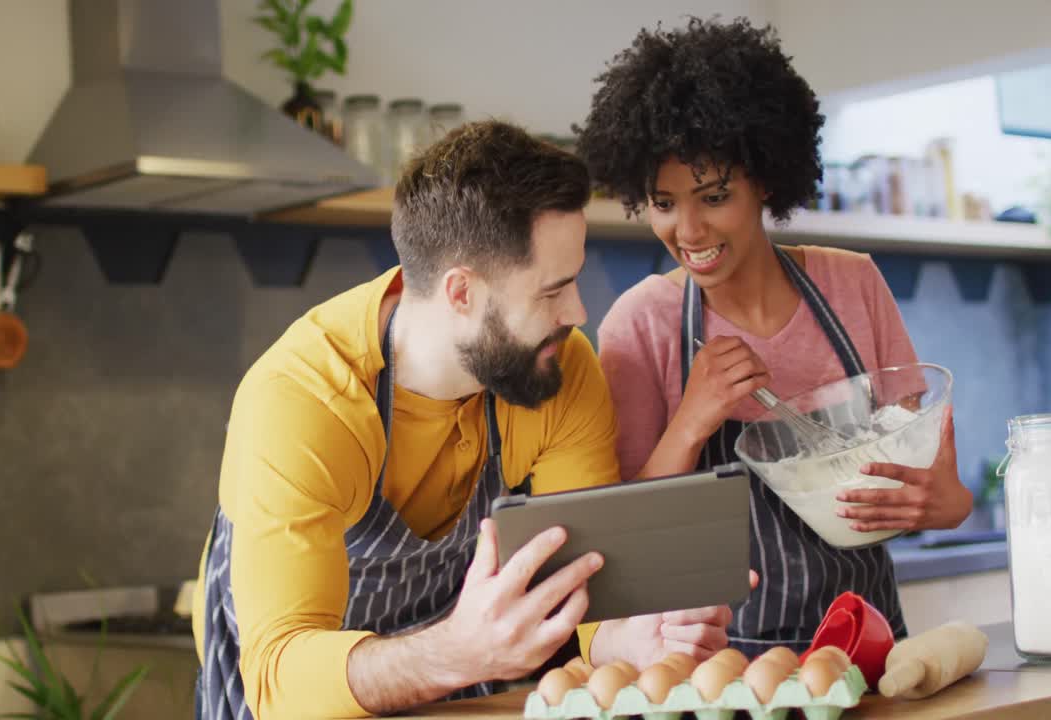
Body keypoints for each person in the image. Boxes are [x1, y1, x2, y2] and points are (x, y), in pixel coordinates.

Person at [191, 120, 738, 720]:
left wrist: (626, 639)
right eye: (551, 291)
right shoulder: (303, 402)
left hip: (454, 682)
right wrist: (453, 652)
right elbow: (278, 683)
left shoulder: (558, 366)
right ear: (461, 293)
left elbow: (584, 583)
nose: (577, 312)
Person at [577, 17, 972, 657]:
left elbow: (939, 496)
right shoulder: (640, 322)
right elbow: (622, 541)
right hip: (717, 667)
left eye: (714, 196)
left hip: (872, 652)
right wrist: (691, 421)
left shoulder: (853, 285)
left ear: (763, 179)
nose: (688, 231)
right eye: (664, 203)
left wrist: (945, 503)